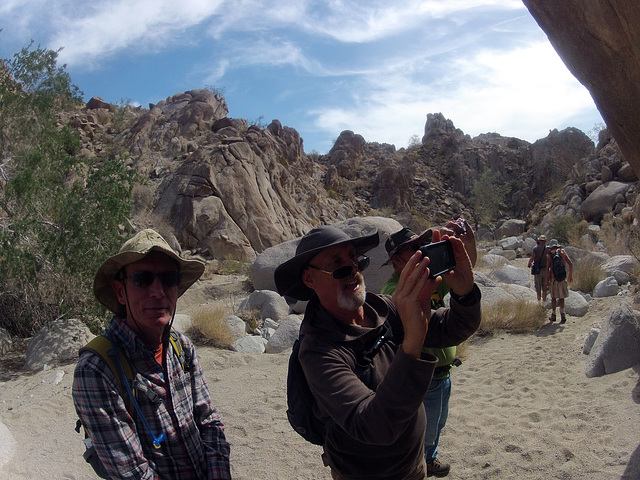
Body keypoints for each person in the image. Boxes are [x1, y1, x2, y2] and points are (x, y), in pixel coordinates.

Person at [274, 224, 481, 480]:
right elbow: (375, 427)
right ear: (309, 279)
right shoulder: (319, 351)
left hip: (413, 466)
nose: (352, 269)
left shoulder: (380, 307)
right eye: (337, 264)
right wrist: (414, 341)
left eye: (354, 258)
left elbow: (454, 328)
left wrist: (464, 292)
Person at [73, 229, 231, 479]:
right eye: (142, 279)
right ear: (120, 291)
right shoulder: (97, 370)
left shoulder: (181, 347)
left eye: (168, 279)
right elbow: (132, 472)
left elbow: (209, 422)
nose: (158, 292)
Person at [380, 219, 476, 478]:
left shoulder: (428, 278)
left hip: (444, 374)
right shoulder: (394, 291)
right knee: (424, 429)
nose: (421, 251)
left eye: (421, 245)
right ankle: (419, 467)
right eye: (414, 249)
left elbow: (462, 281)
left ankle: (429, 459)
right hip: (425, 378)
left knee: (437, 424)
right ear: (398, 260)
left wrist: (466, 245)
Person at [545, 238, 573, 324]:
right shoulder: (563, 252)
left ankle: (553, 315)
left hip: (554, 279)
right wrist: (570, 275)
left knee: (553, 297)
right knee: (562, 297)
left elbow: (547, 269)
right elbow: (570, 264)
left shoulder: (549, 255)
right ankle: (563, 314)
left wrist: (546, 281)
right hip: (562, 278)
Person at [527, 235, 549, 303]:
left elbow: (533, 258)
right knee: (545, 286)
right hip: (546, 269)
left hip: (538, 270)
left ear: (539, 241)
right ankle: (544, 302)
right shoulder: (548, 249)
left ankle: (539, 301)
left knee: (538, 286)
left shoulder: (535, 249)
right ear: (545, 241)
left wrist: (529, 263)